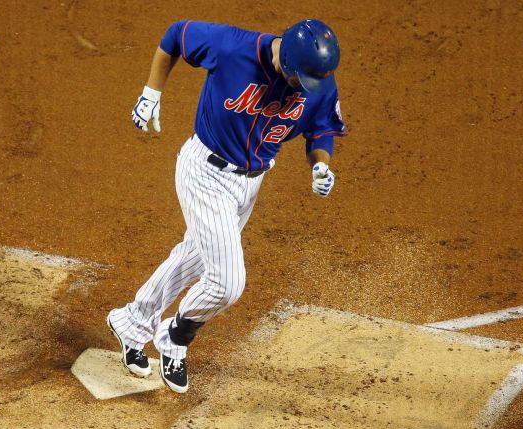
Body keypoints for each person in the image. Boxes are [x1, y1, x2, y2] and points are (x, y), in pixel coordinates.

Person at [107, 19, 347, 393]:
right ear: (286, 57)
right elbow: (174, 35)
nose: (305, 87)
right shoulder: (232, 48)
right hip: (205, 171)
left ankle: (132, 321)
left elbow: (322, 127)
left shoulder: (315, 75)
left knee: (196, 256)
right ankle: (175, 337)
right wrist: (150, 93)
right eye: (301, 78)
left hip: (249, 184)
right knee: (228, 283)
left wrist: (321, 163)